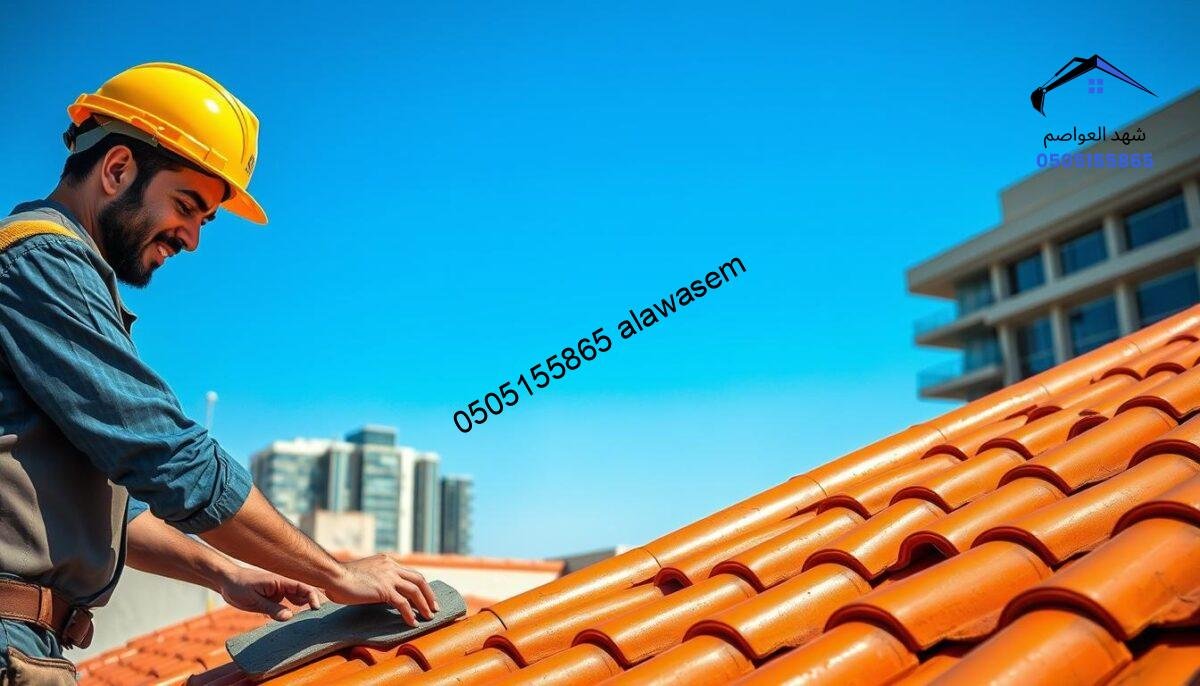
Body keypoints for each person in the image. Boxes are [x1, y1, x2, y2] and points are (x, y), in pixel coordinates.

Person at [0, 63, 437, 685]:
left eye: (204, 220)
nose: (193, 239)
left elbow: (112, 514)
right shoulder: (41, 262)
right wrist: (338, 574)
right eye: (187, 205)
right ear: (117, 169)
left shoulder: (50, 273)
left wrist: (227, 572)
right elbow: (168, 456)